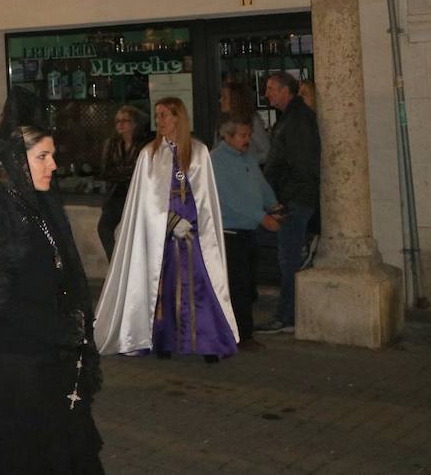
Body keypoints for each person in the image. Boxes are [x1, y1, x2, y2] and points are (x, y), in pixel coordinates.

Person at [0, 93, 103, 474]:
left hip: (50, 354)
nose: (53, 164)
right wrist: (61, 330)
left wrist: (74, 320)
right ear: (18, 160)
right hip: (15, 363)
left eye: (52, 155)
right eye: (43, 156)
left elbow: (60, 270)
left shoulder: (40, 206)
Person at [93, 97, 238, 361]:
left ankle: (206, 341)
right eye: (157, 116)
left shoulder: (198, 151)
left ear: (178, 118)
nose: (159, 121)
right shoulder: (149, 154)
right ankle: (164, 339)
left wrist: (192, 223)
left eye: (164, 115)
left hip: (194, 231)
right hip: (162, 233)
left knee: (200, 283)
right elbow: (146, 200)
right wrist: (171, 222)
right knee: (164, 284)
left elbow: (205, 196)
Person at [210, 119, 281, 350]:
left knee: (249, 285)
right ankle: (242, 335)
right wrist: (262, 218)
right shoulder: (216, 161)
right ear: (228, 137)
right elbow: (231, 197)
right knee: (238, 285)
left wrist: (274, 206)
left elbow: (260, 185)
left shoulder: (247, 157)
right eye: (242, 135)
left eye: (248, 135)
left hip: (248, 231)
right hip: (230, 232)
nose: (247, 139)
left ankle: (240, 330)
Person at [260, 71, 320, 335]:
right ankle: (286, 314)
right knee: (287, 258)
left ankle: (287, 316)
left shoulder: (298, 120)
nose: (267, 94)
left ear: (286, 90)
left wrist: (283, 199)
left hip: (293, 201)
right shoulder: (292, 118)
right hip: (291, 198)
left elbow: (301, 165)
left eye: (272, 88)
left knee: (289, 259)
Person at [95, 105, 150, 264]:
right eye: (118, 121)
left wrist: (122, 172)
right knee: (103, 228)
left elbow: (141, 172)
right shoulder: (111, 143)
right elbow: (106, 171)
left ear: (135, 124)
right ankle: (115, 265)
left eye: (125, 121)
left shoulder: (143, 145)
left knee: (136, 233)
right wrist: (127, 172)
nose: (120, 124)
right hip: (116, 194)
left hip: (137, 195)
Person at [219, 81, 269, 166]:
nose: (220, 100)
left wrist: (245, 161)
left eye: (224, 97)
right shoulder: (222, 121)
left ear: (235, 100)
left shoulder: (253, 121)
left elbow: (266, 152)